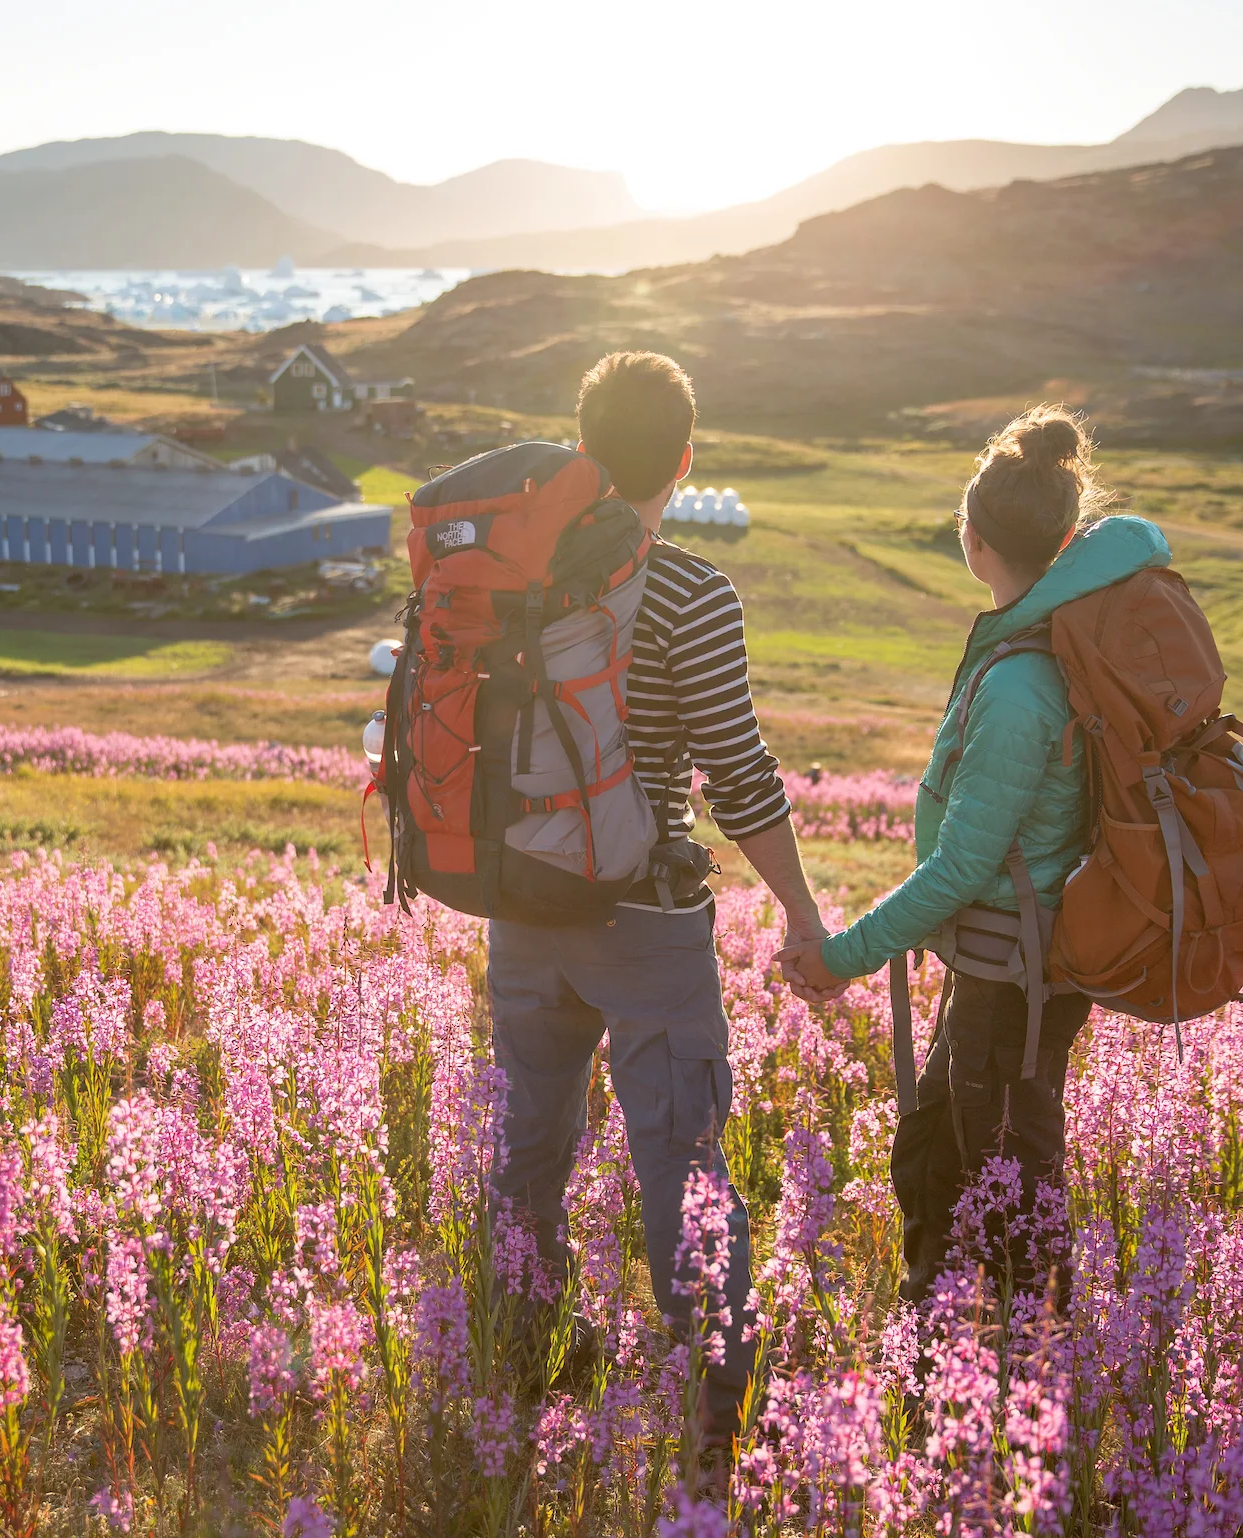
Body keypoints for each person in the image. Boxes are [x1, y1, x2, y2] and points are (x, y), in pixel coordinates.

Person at [488, 350, 833, 1442]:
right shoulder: (691, 590)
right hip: (642, 915)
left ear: (583, 449)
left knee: (531, 1135)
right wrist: (804, 913)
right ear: (684, 460)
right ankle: (716, 1405)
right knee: (680, 1156)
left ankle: (519, 1350)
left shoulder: (516, 576)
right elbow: (739, 772)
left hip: (520, 904)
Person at [778, 406, 1172, 1304]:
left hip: (1011, 974)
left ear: (973, 536)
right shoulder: (1047, 636)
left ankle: (1020, 1358)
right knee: (970, 1156)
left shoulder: (1024, 682)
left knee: (1006, 1178)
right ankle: (974, 1339)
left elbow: (962, 867)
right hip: (1011, 962)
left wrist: (840, 958)